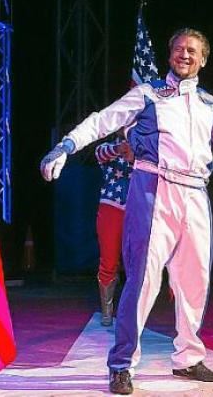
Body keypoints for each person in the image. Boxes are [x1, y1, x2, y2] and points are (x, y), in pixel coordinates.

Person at [40, 28, 213, 395]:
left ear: (203, 59)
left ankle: (188, 358)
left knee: (195, 280)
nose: (184, 55)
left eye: (192, 50)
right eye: (179, 49)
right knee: (143, 280)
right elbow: (101, 120)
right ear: (169, 55)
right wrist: (64, 147)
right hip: (153, 188)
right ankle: (122, 364)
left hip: (196, 194)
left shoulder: (212, 106)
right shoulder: (147, 95)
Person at [93, 135, 134, 326]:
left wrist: (135, 153)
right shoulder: (107, 148)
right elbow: (100, 154)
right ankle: (107, 311)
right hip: (110, 208)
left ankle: (134, 310)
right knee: (108, 260)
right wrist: (119, 149)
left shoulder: (146, 149)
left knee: (137, 262)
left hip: (137, 208)